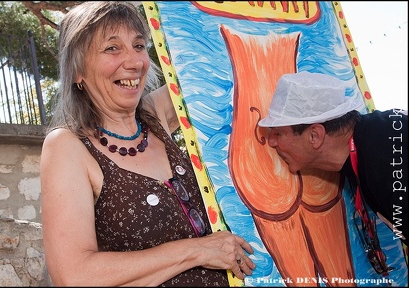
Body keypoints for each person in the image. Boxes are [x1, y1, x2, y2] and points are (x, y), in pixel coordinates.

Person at [40, 2, 255, 286]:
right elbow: (74, 275)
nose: (135, 62)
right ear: (78, 70)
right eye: (112, 48)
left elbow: (216, 65)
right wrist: (197, 251)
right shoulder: (67, 146)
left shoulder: (155, 116)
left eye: (139, 46)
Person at [258, 71, 408, 248]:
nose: (271, 141)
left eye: (278, 133)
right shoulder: (376, 138)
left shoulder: (385, 165)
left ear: (315, 135)